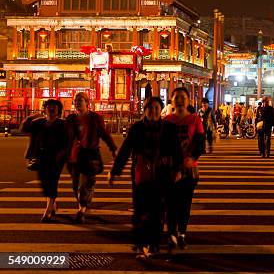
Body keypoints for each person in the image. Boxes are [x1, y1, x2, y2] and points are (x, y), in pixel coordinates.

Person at [109, 97, 182, 259]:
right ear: (145, 110)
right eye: (150, 108)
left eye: (156, 108)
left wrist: (178, 170)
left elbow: (177, 151)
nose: (153, 111)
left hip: (162, 176)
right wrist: (115, 171)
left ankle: (153, 244)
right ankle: (140, 242)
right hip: (141, 175)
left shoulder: (169, 128)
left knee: (157, 212)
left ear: (161, 110)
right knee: (140, 210)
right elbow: (125, 150)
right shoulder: (136, 128)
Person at [65, 92, 117, 223]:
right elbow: (64, 137)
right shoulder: (71, 119)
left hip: (89, 154)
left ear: (87, 103)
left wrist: (113, 149)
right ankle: (83, 204)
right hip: (73, 156)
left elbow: (104, 134)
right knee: (75, 184)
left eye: (80, 100)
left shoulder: (94, 118)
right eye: (76, 100)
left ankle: (81, 210)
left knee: (84, 185)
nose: (77, 102)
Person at [164, 87, 205, 250]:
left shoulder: (195, 120)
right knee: (171, 203)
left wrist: (192, 158)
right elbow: (164, 145)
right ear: (171, 100)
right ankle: (172, 233)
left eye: (183, 97)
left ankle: (182, 233)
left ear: (188, 100)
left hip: (189, 169)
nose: (180, 100)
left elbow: (200, 144)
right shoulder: (167, 121)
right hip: (171, 169)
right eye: (176, 97)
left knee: (185, 203)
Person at [21, 99, 69, 222]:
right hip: (40, 156)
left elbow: (67, 141)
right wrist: (31, 116)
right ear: (45, 109)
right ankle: (52, 203)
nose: (51, 109)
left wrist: (62, 153)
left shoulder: (62, 124)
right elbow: (23, 129)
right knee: (44, 181)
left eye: (54, 107)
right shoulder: (38, 122)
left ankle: (48, 210)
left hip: (56, 157)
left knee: (52, 180)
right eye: (49, 106)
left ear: (58, 110)